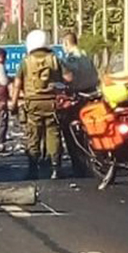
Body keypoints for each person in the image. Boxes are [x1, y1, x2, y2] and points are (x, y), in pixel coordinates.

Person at [9, 29, 68, 179]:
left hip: (33, 103)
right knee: (53, 133)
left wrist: (13, 104)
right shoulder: (54, 59)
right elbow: (67, 78)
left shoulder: (26, 61)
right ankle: (56, 168)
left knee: (33, 135)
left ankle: (33, 169)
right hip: (52, 102)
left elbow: (17, 84)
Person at [58, 31, 97, 176]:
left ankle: (79, 165)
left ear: (66, 43)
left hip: (78, 97)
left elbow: (68, 77)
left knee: (69, 130)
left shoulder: (70, 58)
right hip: (92, 94)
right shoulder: (86, 56)